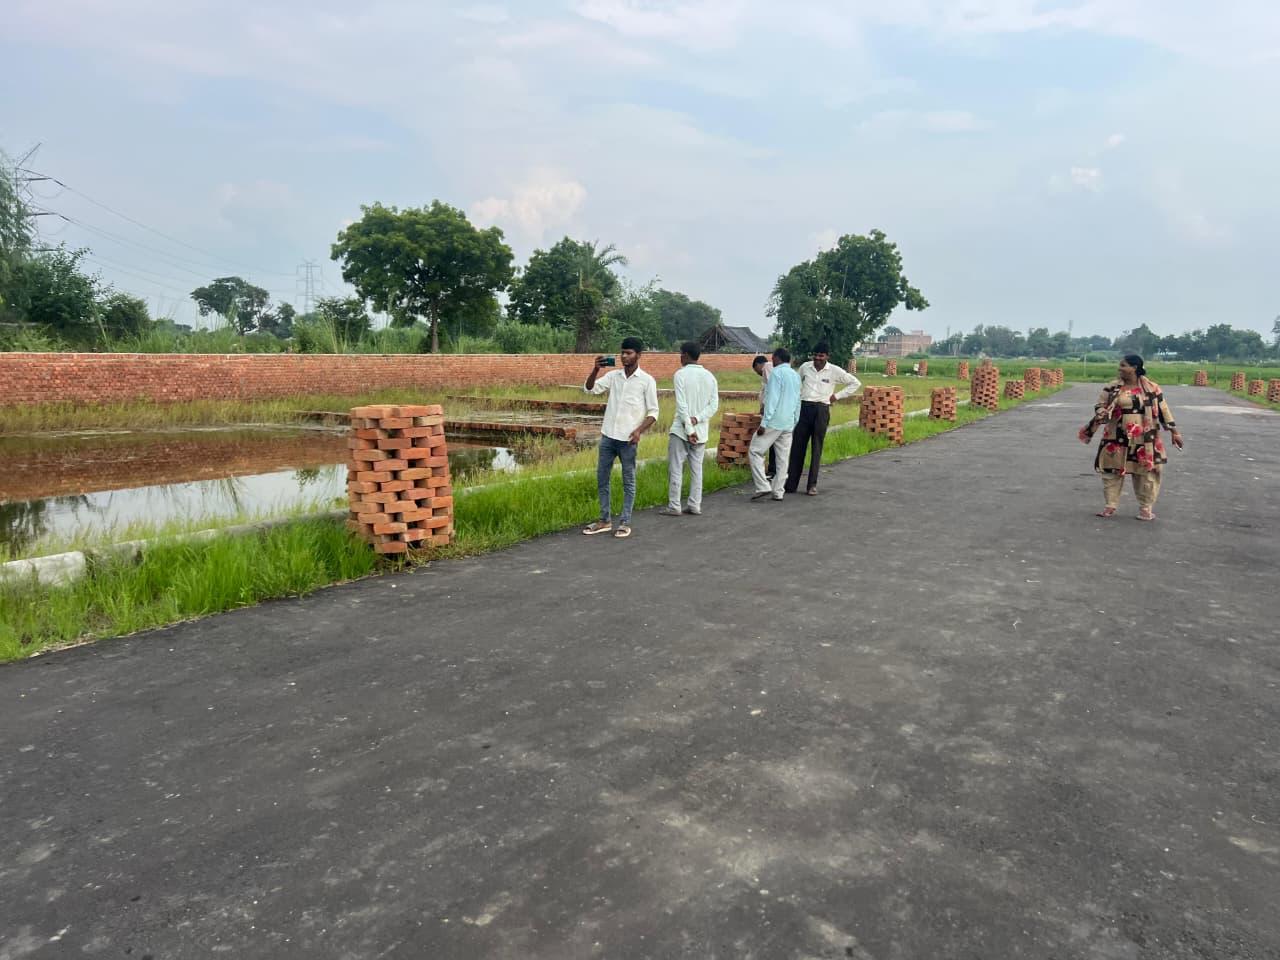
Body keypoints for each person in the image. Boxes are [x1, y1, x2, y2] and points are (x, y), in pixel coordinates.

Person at [1078, 353, 1184, 521]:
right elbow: (1100, 404)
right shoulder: (1112, 387)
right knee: (1111, 470)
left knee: (1146, 472)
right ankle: (1110, 506)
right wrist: (1102, 412)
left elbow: (1163, 410)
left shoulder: (1152, 388)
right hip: (1116, 436)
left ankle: (1145, 508)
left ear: (1134, 368)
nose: (1119, 368)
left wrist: (1174, 432)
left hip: (1145, 437)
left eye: (1123, 365)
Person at [583, 337, 660, 538]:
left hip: (628, 440)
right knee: (602, 479)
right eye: (622, 352)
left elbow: (653, 412)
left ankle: (625, 522)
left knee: (628, 481)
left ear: (638, 355)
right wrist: (595, 370)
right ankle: (604, 520)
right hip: (608, 437)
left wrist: (639, 431)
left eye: (629, 353)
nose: (624, 356)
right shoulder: (613, 376)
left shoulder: (646, 381)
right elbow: (590, 389)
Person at [785, 341, 861, 496]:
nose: (817, 358)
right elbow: (796, 384)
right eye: (815, 355)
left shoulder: (834, 370)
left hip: (821, 410)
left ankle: (811, 485)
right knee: (797, 447)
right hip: (804, 408)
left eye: (821, 356)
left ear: (827, 356)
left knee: (816, 447)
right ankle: (791, 485)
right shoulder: (805, 367)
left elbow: (855, 383)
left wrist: (836, 396)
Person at [660, 342, 719, 517]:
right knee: (696, 469)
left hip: (681, 430)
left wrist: (688, 427)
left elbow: (682, 405)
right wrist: (697, 419)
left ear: (685, 355)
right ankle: (694, 504)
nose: (680, 357)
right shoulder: (710, 377)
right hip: (701, 431)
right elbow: (713, 406)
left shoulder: (680, 375)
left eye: (681, 353)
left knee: (676, 468)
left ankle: (674, 505)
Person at [749, 347, 801, 502]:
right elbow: (798, 400)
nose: (771, 362)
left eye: (772, 359)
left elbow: (772, 399)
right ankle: (778, 491)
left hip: (774, 421)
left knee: (754, 451)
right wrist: (795, 420)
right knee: (783, 459)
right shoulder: (795, 375)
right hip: (788, 422)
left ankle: (763, 486)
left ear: (777, 358)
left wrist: (764, 423)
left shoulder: (776, 373)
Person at [751, 354, 775, 478]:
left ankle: (771, 472)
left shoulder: (767, 367)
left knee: (758, 447)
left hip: (773, 415)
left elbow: (772, 391)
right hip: (773, 413)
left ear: (759, 365)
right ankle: (773, 471)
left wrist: (765, 410)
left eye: (757, 371)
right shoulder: (767, 373)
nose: (758, 374)